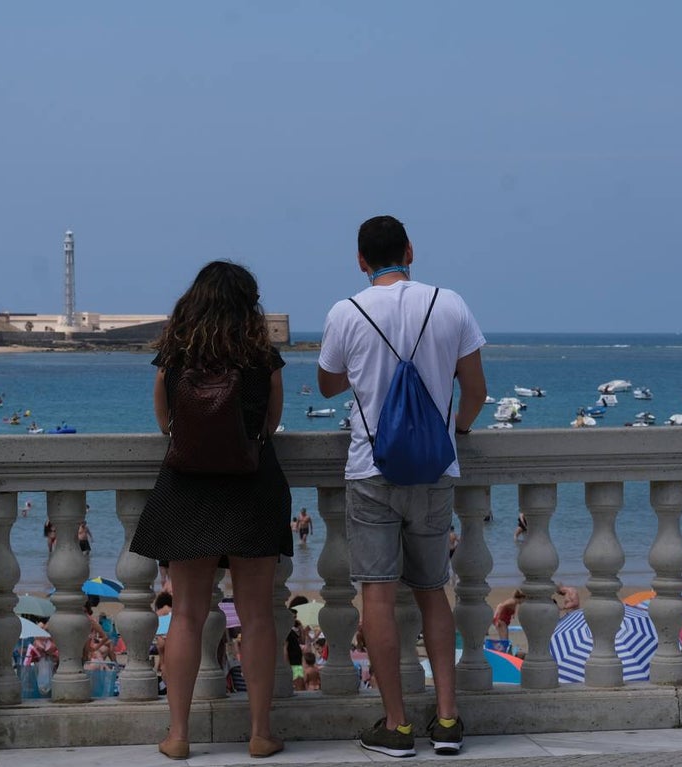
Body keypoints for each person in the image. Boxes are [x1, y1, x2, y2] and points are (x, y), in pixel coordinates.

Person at [318, 215, 486, 758]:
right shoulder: (451, 304)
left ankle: (396, 726)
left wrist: (366, 367)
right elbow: (476, 391)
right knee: (433, 591)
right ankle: (447, 719)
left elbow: (327, 384)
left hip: (372, 470)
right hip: (434, 472)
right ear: (410, 250)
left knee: (378, 598)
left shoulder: (346, 312)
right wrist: (452, 434)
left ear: (361, 261)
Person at [129, 261, 292, 761]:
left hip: (189, 488)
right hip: (251, 486)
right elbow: (271, 421)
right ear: (249, 304)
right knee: (258, 615)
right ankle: (260, 733)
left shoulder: (177, 353)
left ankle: (179, 735)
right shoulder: (262, 354)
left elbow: (164, 420)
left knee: (185, 615)